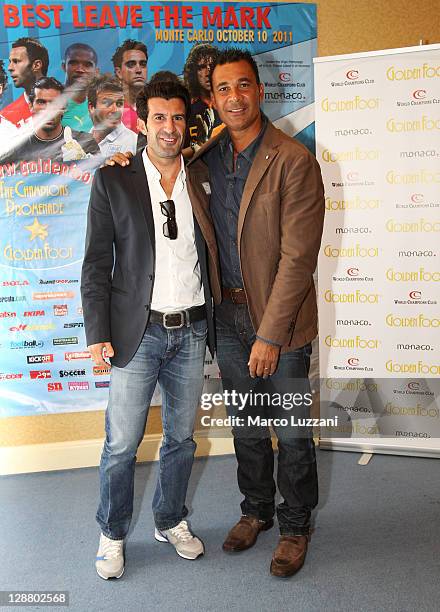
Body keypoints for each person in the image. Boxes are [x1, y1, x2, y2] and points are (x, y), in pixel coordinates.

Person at [107, 46, 325, 578]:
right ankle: (257, 512)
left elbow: (299, 260)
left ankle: (295, 525)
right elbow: (157, 166)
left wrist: (270, 335)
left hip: (284, 326)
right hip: (225, 323)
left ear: (260, 89)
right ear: (213, 98)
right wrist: (125, 160)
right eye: (223, 89)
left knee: (293, 430)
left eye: (243, 85)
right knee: (248, 427)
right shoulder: (203, 160)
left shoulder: (294, 161)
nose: (234, 97)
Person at [80, 79, 221, 580]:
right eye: (159, 117)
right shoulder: (114, 179)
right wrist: (98, 333)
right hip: (136, 334)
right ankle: (112, 533)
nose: (169, 128)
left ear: (188, 122)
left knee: (181, 439)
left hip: (192, 331)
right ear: (142, 122)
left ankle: (169, 519)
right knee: (121, 443)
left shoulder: (204, 177)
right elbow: (97, 263)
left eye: (178, 118)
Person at [0, 77, 99, 164]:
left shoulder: (86, 142)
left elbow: (102, 177)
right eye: (41, 102)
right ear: (30, 106)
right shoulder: (14, 147)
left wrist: (82, 163)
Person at [183, 43, 223, 149]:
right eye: (202, 67)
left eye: (212, 66)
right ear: (194, 72)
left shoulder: (229, 106)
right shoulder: (187, 109)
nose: (208, 73)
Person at [2, 37, 48, 128]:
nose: (9, 68)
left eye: (16, 61)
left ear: (37, 65)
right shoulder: (6, 117)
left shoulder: (66, 104)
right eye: (10, 62)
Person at [88, 75, 137, 158]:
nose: (115, 110)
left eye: (119, 104)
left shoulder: (134, 144)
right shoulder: (78, 143)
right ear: (92, 107)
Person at [112, 39, 148, 133]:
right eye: (131, 64)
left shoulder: (158, 104)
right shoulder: (110, 111)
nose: (139, 70)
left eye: (143, 64)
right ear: (119, 72)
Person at [61, 43, 99, 132]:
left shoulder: (101, 105)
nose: (80, 69)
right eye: (73, 63)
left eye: (87, 65)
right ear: (64, 66)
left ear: (96, 72)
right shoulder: (50, 101)